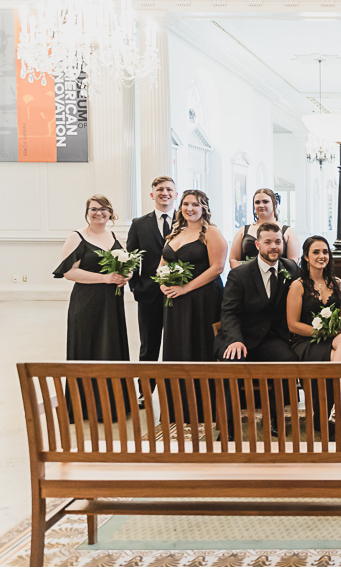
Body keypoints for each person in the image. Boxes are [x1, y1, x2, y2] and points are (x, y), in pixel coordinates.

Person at [217, 222, 299, 440]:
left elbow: (315, 280)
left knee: (288, 360)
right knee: (229, 367)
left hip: (269, 339)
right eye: (268, 242)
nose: (274, 246)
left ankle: (274, 418)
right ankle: (229, 426)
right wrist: (234, 340)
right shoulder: (240, 274)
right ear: (257, 245)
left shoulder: (290, 268)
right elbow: (229, 312)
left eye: (278, 242)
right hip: (239, 337)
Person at [53, 195, 132, 422]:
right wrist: (105, 278)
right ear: (87, 212)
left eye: (104, 209)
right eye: (94, 209)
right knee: (89, 348)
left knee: (111, 347)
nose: (99, 213)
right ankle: (86, 407)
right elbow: (69, 272)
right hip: (87, 302)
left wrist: (126, 275)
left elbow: (124, 264)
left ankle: (114, 404)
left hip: (112, 302)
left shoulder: (113, 235)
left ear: (111, 212)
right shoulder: (77, 237)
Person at [160, 190, 227, 418]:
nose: (190, 208)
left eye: (195, 205)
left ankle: (202, 408)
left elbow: (217, 267)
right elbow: (162, 264)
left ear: (204, 208)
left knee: (199, 345)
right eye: (186, 204)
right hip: (175, 302)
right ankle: (178, 408)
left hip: (202, 299)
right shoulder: (174, 233)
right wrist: (163, 285)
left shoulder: (211, 232)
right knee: (177, 346)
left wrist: (186, 288)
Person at [287, 235, 341, 440]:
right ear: (306, 257)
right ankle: (340, 410)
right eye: (316, 252)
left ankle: (338, 408)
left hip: (335, 339)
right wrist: (323, 333)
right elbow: (293, 325)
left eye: (325, 252)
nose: (322, 256)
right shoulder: (298, 285)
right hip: (307, 341)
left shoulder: (336, 283)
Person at [126, 176, 177, 407]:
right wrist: (135, 286)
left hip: (179, 293)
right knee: (149, 344)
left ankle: (177, 391)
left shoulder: (186, 220)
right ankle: (145, 392)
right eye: (159, 189)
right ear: (152, 194)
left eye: (169, 189)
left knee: (177, 343)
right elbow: (131, 257)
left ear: (175, 195)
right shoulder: (139, 223)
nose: (164, 193)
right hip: (148, 294)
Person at [228, 188, 301, 268]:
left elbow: (293, 261)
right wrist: (243, 275)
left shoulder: (288, 232)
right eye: (257, 202)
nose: (261, 205)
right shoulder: (243, 231)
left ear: (275, 204)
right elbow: (233, 259)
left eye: (265, 202)